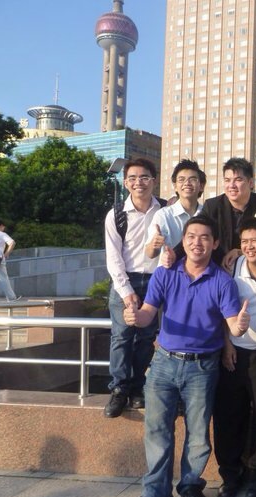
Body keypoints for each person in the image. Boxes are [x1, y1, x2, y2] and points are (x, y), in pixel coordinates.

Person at [122, 215, 250, 497]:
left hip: (202, 367)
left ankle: (191, 485)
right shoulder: (165, 273)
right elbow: (148, 313)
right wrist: (135, 317)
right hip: (164, 363)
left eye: (205, 237)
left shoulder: (222, 281)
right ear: (184, 240)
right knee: (157, 429)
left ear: (215, 243)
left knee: (198, 433)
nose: (197, 242)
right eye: (191, 236)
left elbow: (233, 324)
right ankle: (155, 492)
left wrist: (241, 326)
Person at [212, 217, 256, 497]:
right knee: (229, 415)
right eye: (244, 241)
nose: (249, 246)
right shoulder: (232, 268)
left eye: (255, 241)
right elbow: (220, 308)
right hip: (235, 352)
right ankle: (230, 475)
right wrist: (227, 343)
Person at [103, 158, 163, 418]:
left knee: (146, 338)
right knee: (122, 337)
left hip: (155, 281)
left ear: (154, 180)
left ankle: (138, 386)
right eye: (133, 178)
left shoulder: (163, 211)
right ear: (126, 182)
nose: (139, 182)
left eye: (145, 177)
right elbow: (113, 257)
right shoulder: (116, 214)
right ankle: (119, 389)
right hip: (124, 280)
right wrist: (127, 291)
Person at [201, 158, 256, 267]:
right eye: (227, 180)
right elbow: (196, 231)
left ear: (251, 183)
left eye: (238, 180)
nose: (232, 185)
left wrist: (240, 252)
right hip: (221, 266)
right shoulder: (212, 206)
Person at [145, 159, 205, 260]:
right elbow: (150, 254)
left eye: (193, 179)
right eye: (181, 180)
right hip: (170, 268)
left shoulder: (207, 214)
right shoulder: (163, 215)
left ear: (201, 186)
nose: (187, 183)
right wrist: (154, 244)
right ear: (175, 186)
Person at [0, 220, 20, 302]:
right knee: (4, 278)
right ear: (1, 226)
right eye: (4, 226)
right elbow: (12, 243)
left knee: (3, 278)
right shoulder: (2, 234)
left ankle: (12, 298)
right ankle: (11, 298)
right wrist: (7, 253)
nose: (4, 228)